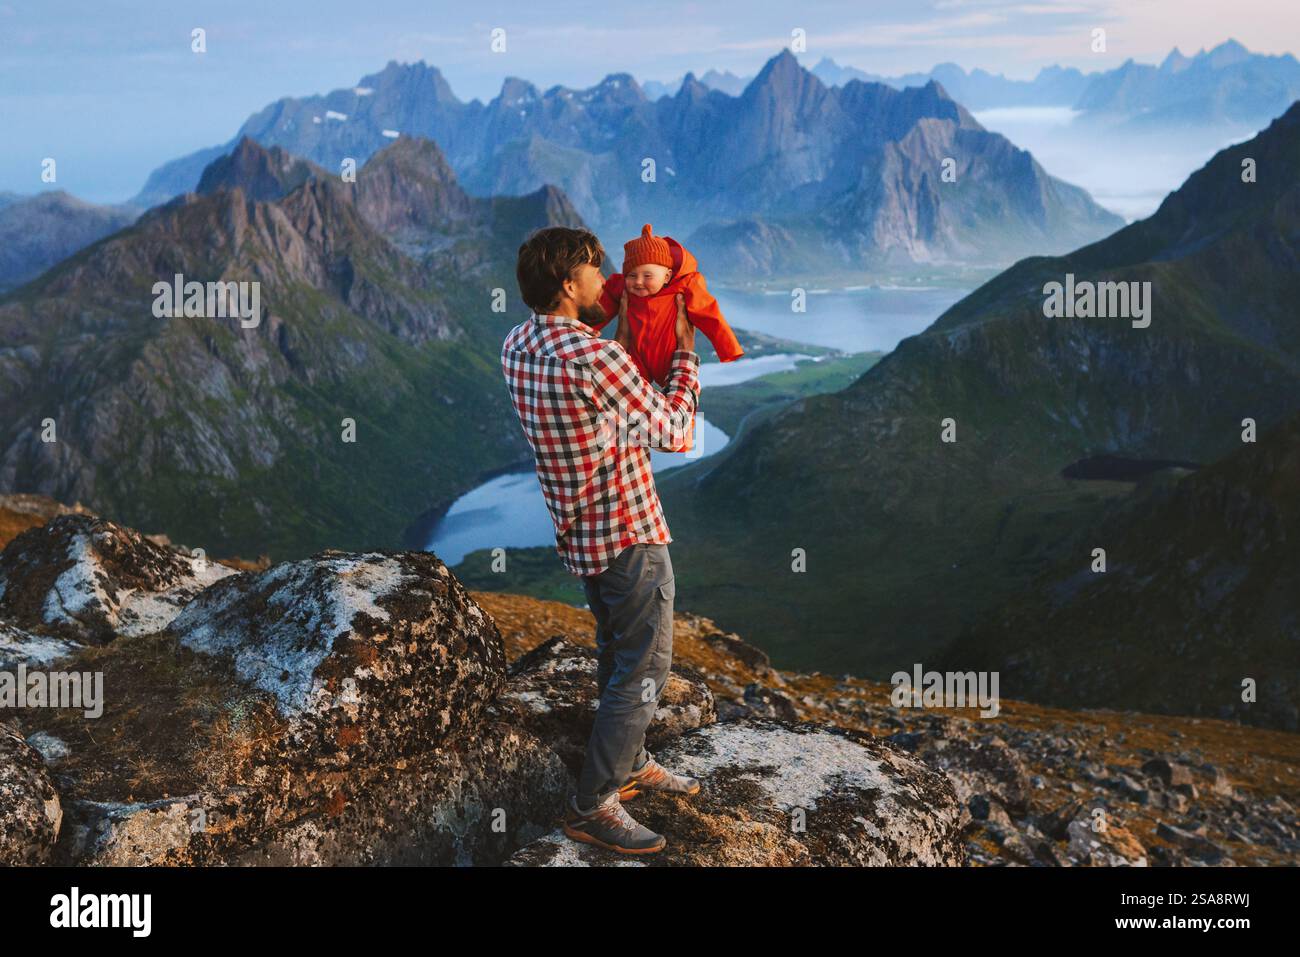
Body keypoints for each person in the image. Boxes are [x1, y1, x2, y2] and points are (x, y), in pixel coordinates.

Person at [501, 226, 704, 855]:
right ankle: (593, 805)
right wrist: (685, 361)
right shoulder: (596, 357)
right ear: (569, 284)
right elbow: (675, 433)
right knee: (645, 665)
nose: (605, 280)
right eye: (594, 269)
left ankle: (631, 758)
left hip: (577, 529)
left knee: (617, 649)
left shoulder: (517, 344)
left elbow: (594, 415)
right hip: (627, 527)